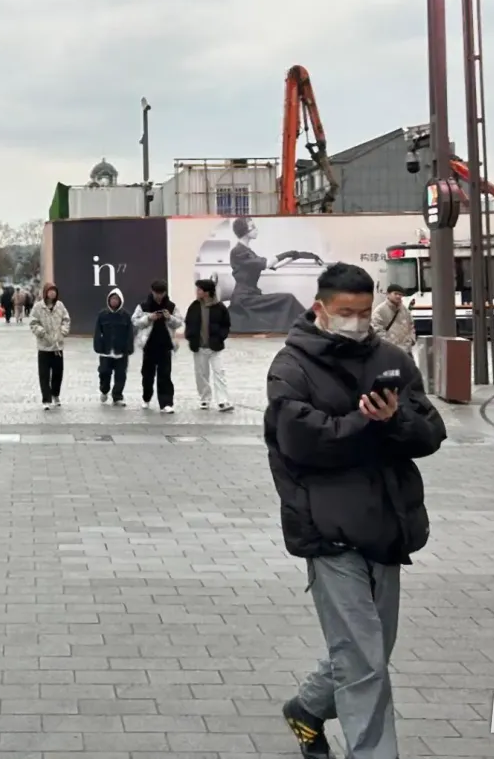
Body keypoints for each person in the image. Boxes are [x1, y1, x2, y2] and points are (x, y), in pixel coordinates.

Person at [265, 263, 446, 759]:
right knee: (364, 661)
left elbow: (430, 432)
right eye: (346, 312)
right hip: (328, 529)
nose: (357, 321)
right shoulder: (291, 366)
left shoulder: (391, 359)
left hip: (387, 524)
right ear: (321, 309)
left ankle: (307, 707)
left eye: (365, 312)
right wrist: (369, 425)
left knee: (372, 650)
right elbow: (302, 441)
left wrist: (396, 420)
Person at [228, 216, 316, 334]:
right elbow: (267, 264)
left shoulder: (247, 251)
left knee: (286, 300)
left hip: (252, 295)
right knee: (288, 298)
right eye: (252, 227)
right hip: (244, 299)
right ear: (244, 230)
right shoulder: (238, 251)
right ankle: (310, 325)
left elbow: (274, 266)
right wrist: (287, 254)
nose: (256, 229)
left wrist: (295, 257)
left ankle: (310, 325)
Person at [184, 278, 235, 411]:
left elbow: (226, 325)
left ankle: (223, 401)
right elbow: (188, 322)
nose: (197, 291)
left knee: (219, 372)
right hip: (199, 347)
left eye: (199, 289)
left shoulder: (220, 307)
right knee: (201, 375)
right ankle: (204, 399)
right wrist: (190, 337)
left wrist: (220, 337)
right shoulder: (194, 306)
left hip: (215, 347)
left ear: (207, 292)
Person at [132, 280, 182, 413]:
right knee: (147, 375)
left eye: (161, 293)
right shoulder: (143, 306)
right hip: (149, 345)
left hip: (165, 345)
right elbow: (135, 321)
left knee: (165, 375)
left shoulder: (171, 306)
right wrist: (149, 318)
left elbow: (179, 322)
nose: (159, 295)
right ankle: (146, 398)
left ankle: (166, 403)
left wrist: (169, 318)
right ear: (152, 291)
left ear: (165, 292)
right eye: (157, 293)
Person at [28, 283, 70, 408]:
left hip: (57, 346)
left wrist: (63, 331)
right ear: (45, 292)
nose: (52, 293)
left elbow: (66, 319)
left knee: (58, 373)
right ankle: (46, 399)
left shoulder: (60, 306)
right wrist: (41, 332)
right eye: (50, 291)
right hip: (44, 346)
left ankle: (55, 394)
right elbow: (33, 322)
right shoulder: (38, 307)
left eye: (54, 291)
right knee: (44, 375)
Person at [92, 287, 132, 406]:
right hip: (106, 351)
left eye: (116, 299)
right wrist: (98, 346)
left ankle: (117, 396)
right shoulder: (102, 315)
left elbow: (130, 333)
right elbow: (97, 332)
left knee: (121, 375)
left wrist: (129, 348)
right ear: (108, 300)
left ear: (120, 301)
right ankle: (104, 390)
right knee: (104, 372)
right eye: (112, 299)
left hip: (121, 351)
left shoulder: (125, 316)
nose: (114, 301)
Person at [371, 286, 415, 353]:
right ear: (388, 294)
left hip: (406, 350)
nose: (398, 296)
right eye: (395, 293)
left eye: (400, 294)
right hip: (389, 351)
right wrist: (388, 346)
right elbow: (377, 331)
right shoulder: (379, 311)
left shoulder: (404, 309)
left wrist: (412, 340)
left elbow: (411, 325)